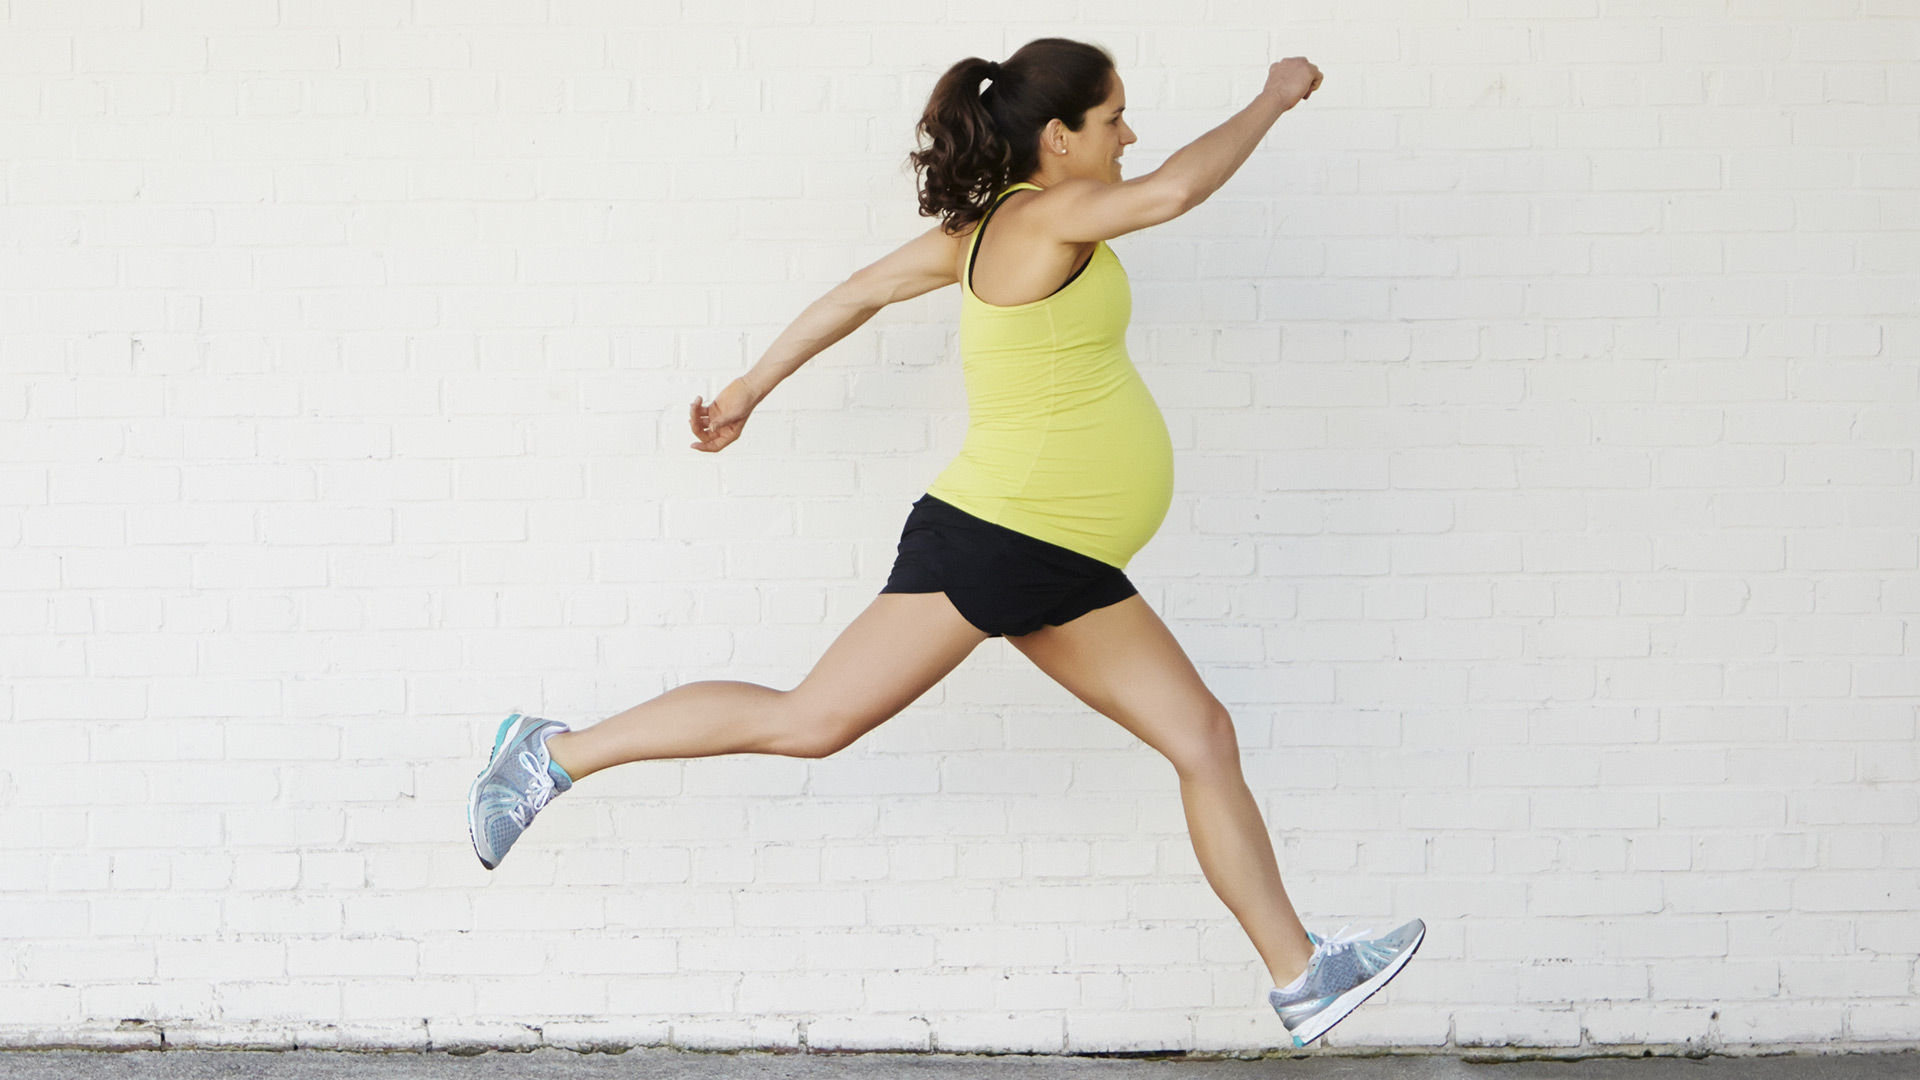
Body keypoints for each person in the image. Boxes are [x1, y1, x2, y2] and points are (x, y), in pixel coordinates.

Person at [467, 37, 1421, 1048]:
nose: (1130, 136)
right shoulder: (1049, 216)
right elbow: (1176, 191)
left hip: (1062, 559)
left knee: (1202, 738)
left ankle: (1301, 976)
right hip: (1000, 537)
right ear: (1058, 139)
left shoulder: (981, 235)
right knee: (810, 721)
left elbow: (858, 293)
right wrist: (1273, 96)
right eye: (1113, 120)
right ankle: (550, 755)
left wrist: (752, 387)